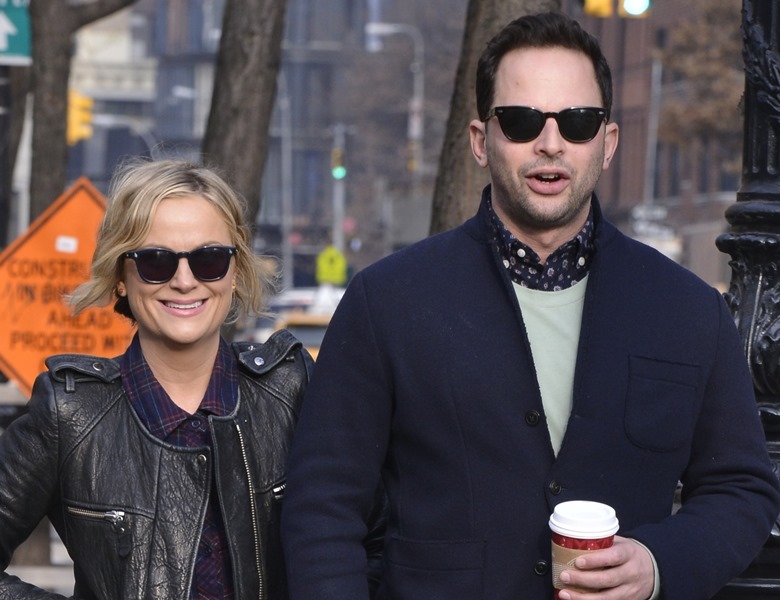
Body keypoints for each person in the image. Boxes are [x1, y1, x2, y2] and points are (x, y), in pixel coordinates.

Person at [280, 11, 780, 600]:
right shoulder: (386, 302)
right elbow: (323, 507)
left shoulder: (688, 310)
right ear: (480, 141)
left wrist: (656, 565)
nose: (550, 144)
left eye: (578, 122)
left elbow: (741, 489)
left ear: (608, 143)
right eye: (521, 122)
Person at [0, 158, 314, 598]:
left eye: (209, 259)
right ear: (121, 277)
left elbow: (371, 542)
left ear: (236, 272)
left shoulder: (290, 391)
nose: (184, 281)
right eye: (155, 261)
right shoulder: (69, 413)